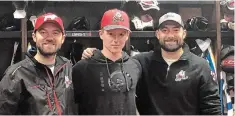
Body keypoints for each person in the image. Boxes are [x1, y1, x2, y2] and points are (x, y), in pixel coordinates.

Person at [81, 12, 221, 115]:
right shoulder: (140, 62)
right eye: (165, 30)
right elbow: (114, 66)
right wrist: (95, 54)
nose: (170, 35)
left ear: (184, 33)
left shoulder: (201, 65)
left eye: (175, 30)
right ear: (157, 34)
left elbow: (212, 107)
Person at [0, 13, 77, 115]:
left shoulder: (68, 67)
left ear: (62, 38)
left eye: (55, 33)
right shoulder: (16, 74)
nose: (49, 38)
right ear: (34, 36)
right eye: (43, 32)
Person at [72, 8, 142, 115]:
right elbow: (73, 106)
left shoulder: (135, 65)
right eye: (110, 34)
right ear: (101, 34)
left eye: (121, 34)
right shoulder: (82, 68)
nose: (116, 40)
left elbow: (134, 103)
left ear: (127, 35)